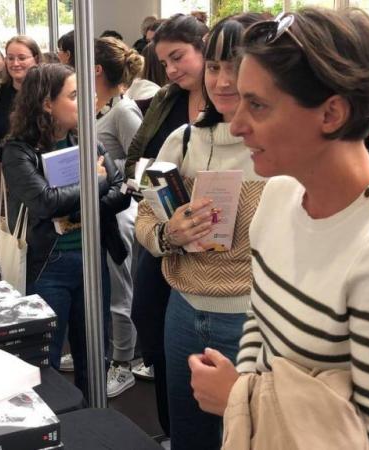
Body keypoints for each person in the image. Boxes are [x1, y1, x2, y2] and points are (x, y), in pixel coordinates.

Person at [189, 9, 369, 450]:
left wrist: (238, 398)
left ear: (330, 114)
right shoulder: (278, 195)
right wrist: (247, 400)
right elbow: (260, 320)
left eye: (259, 105)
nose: (237, 124)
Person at [136, 14, 265, 449]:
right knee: (188, 432)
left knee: (248, 434)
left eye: (237, 66)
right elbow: (146, 221)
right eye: (214, 67)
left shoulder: (279, 146)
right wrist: (170, 234)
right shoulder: (184, 141)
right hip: (184, 311)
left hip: (254, 320)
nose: (224, 81)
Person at [2, 63, 130, 399]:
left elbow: (121, 192)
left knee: (94, 354)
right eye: (74, 96)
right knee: (47, 359)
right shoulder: (18, 150)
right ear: (47, 104)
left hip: (91, 259)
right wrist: (94, 182)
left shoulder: (87, 139)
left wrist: (76, 206)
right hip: (48, 266)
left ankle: (96, 422)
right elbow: (44, 203)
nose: (85, 101)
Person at [125, 13, 208, 436]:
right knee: (150, 319)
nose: (172, 70)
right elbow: (138, 152)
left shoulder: (228, 99)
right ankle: (170, 428)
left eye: (179, 58)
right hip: (159, 225)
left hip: (211, 242)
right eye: (165, 62)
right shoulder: (166, 99)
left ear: (205, 47)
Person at [93, 36, 144, 398]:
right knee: (99, 287)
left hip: (119, 214)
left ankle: (122, 362)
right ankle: (104, 352)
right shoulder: (98, 108)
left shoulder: (123, 111)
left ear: (95, 69)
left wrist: (112, 185)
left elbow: (139, 163)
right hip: (99, 211)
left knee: (119, 290)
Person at [0, 36, 41, 205]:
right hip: (1, 175)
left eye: (22, 58)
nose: (15, 63)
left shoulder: (47, 93)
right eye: (10, 58)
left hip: (40, 174)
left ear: (36, 59)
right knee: (6, 228)